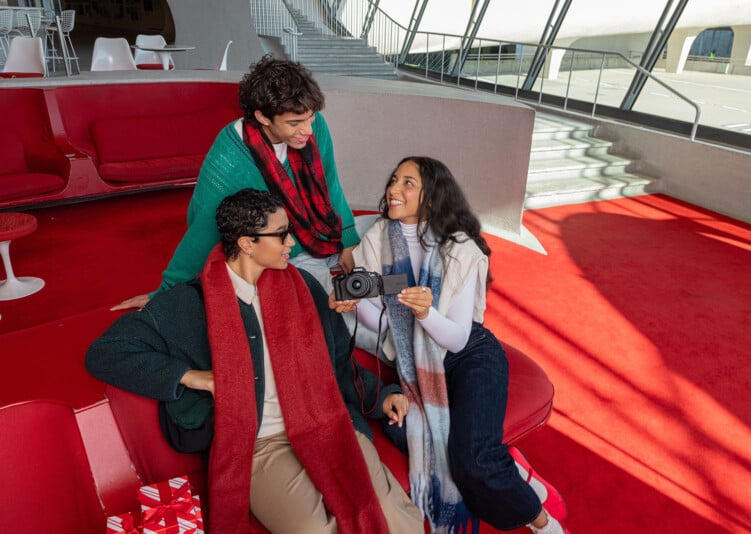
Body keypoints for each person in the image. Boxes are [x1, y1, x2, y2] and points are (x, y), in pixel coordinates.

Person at [87, 189, 423, 534]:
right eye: (281, 234)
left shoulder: (305, 286)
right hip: (257, 444)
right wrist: (192, 377)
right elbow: (107, 352)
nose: (292, 242)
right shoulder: (188, 305)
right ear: (247, 243)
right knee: (313, 530)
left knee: (384, 512)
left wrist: (383, 396)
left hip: (326, 420)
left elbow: (337, 363)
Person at [329, 157, 568, 534]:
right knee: (415, 433)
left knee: (472, 460)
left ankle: (543, 523)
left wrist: (426, 315)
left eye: (408, 183)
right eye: (394, 180)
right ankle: (510, 467)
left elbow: (457, 336)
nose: (394, 189)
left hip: (469, 353)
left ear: (433, 194)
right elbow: (388, 327)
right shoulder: (377, 240)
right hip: (413, 362)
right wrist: (355, 306)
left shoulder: (460, 249)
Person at [112, 56, 360, 311]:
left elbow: (329, 184)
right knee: (332, 309)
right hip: (285, 251)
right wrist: (166, 293)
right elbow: (204, 229)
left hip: (321, 229)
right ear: (263, 117)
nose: (308, 130)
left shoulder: (314, 125)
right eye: (295, 123)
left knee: (381, 233)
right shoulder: (230, 158)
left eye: (310, 117)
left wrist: (349, 238)